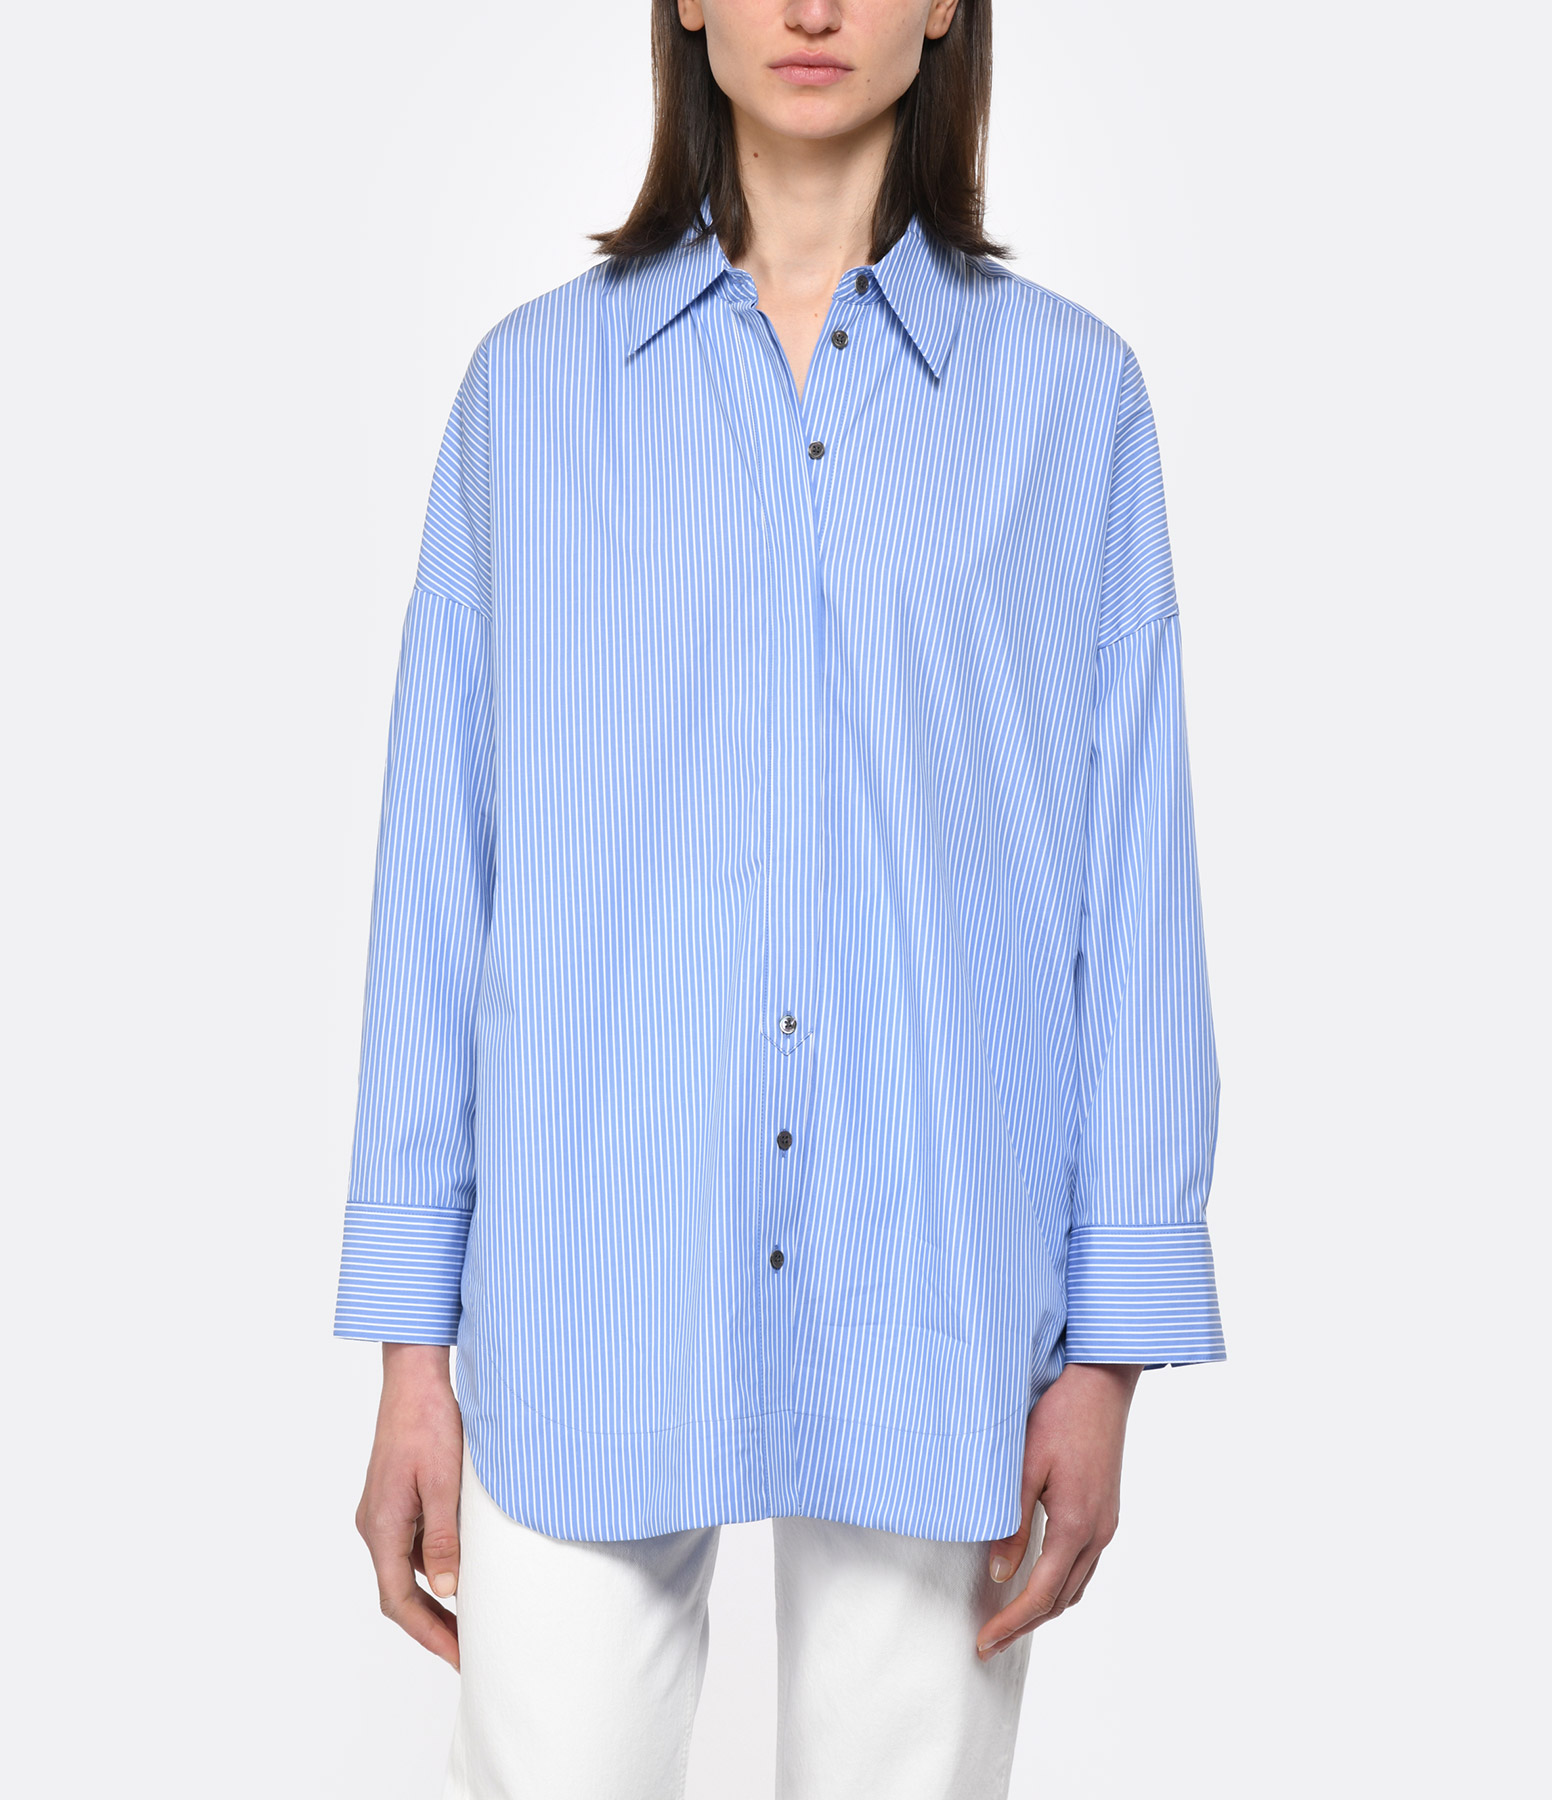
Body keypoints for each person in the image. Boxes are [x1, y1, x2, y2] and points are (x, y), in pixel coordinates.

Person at [332, 2, 1226, 1794]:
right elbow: (439, 879)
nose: (812, 8)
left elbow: (1135, 883)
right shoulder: (532, 394)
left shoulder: (1071, 402)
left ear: (946, 5)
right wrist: (409, 1348)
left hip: (943, 1277)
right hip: (590, 1282)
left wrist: (1113, 1352)